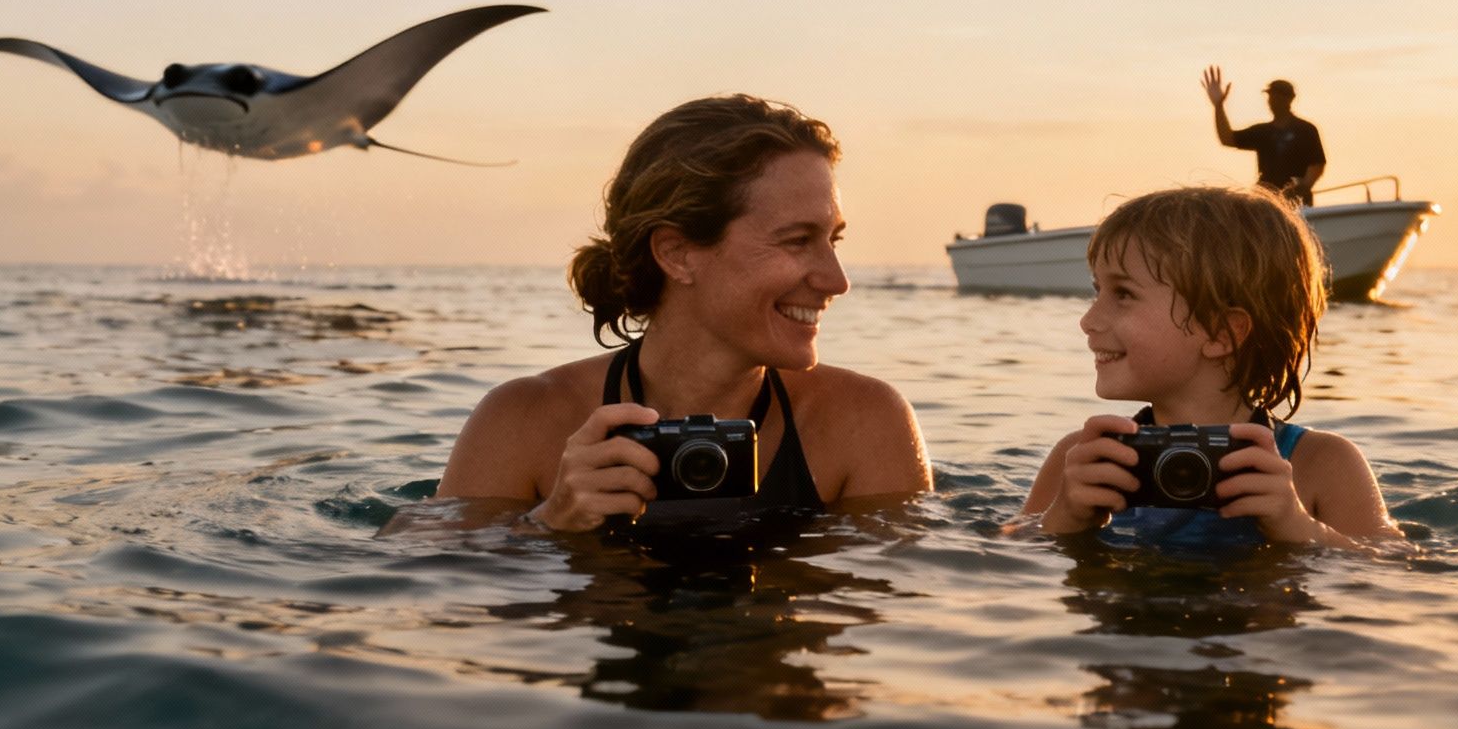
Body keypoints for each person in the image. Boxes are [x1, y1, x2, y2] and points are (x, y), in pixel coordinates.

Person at [437, 93, 932, 530]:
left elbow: (914, 600)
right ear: (677, 253)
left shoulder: (863, 423)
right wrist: (549, 522)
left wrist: (1007, 549)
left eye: (833, 239)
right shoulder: (522, 421)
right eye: (798, 240)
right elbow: (433, 596)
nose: (837, 280)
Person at [1020, 186, 1397, 548]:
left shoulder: (1320, 464)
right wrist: (1062, 518)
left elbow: (1394, 571)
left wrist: (1299, 526)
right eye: (1096, 290)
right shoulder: (1085, 458)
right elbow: (1008, 556)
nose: (1089, 320)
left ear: (1220, 332)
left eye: (1123, 294)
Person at [1203, 66, 1325, 208]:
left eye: (1277, 96)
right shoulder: (1262, 132)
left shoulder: (1306, 130)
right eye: (1270, 96)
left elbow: (1317, 164)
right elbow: (1227, 139)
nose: (1272, 100)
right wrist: (1218, 106)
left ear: (1290, 98)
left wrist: (1303, 187)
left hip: (1298, 204)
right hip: (1267, 204)